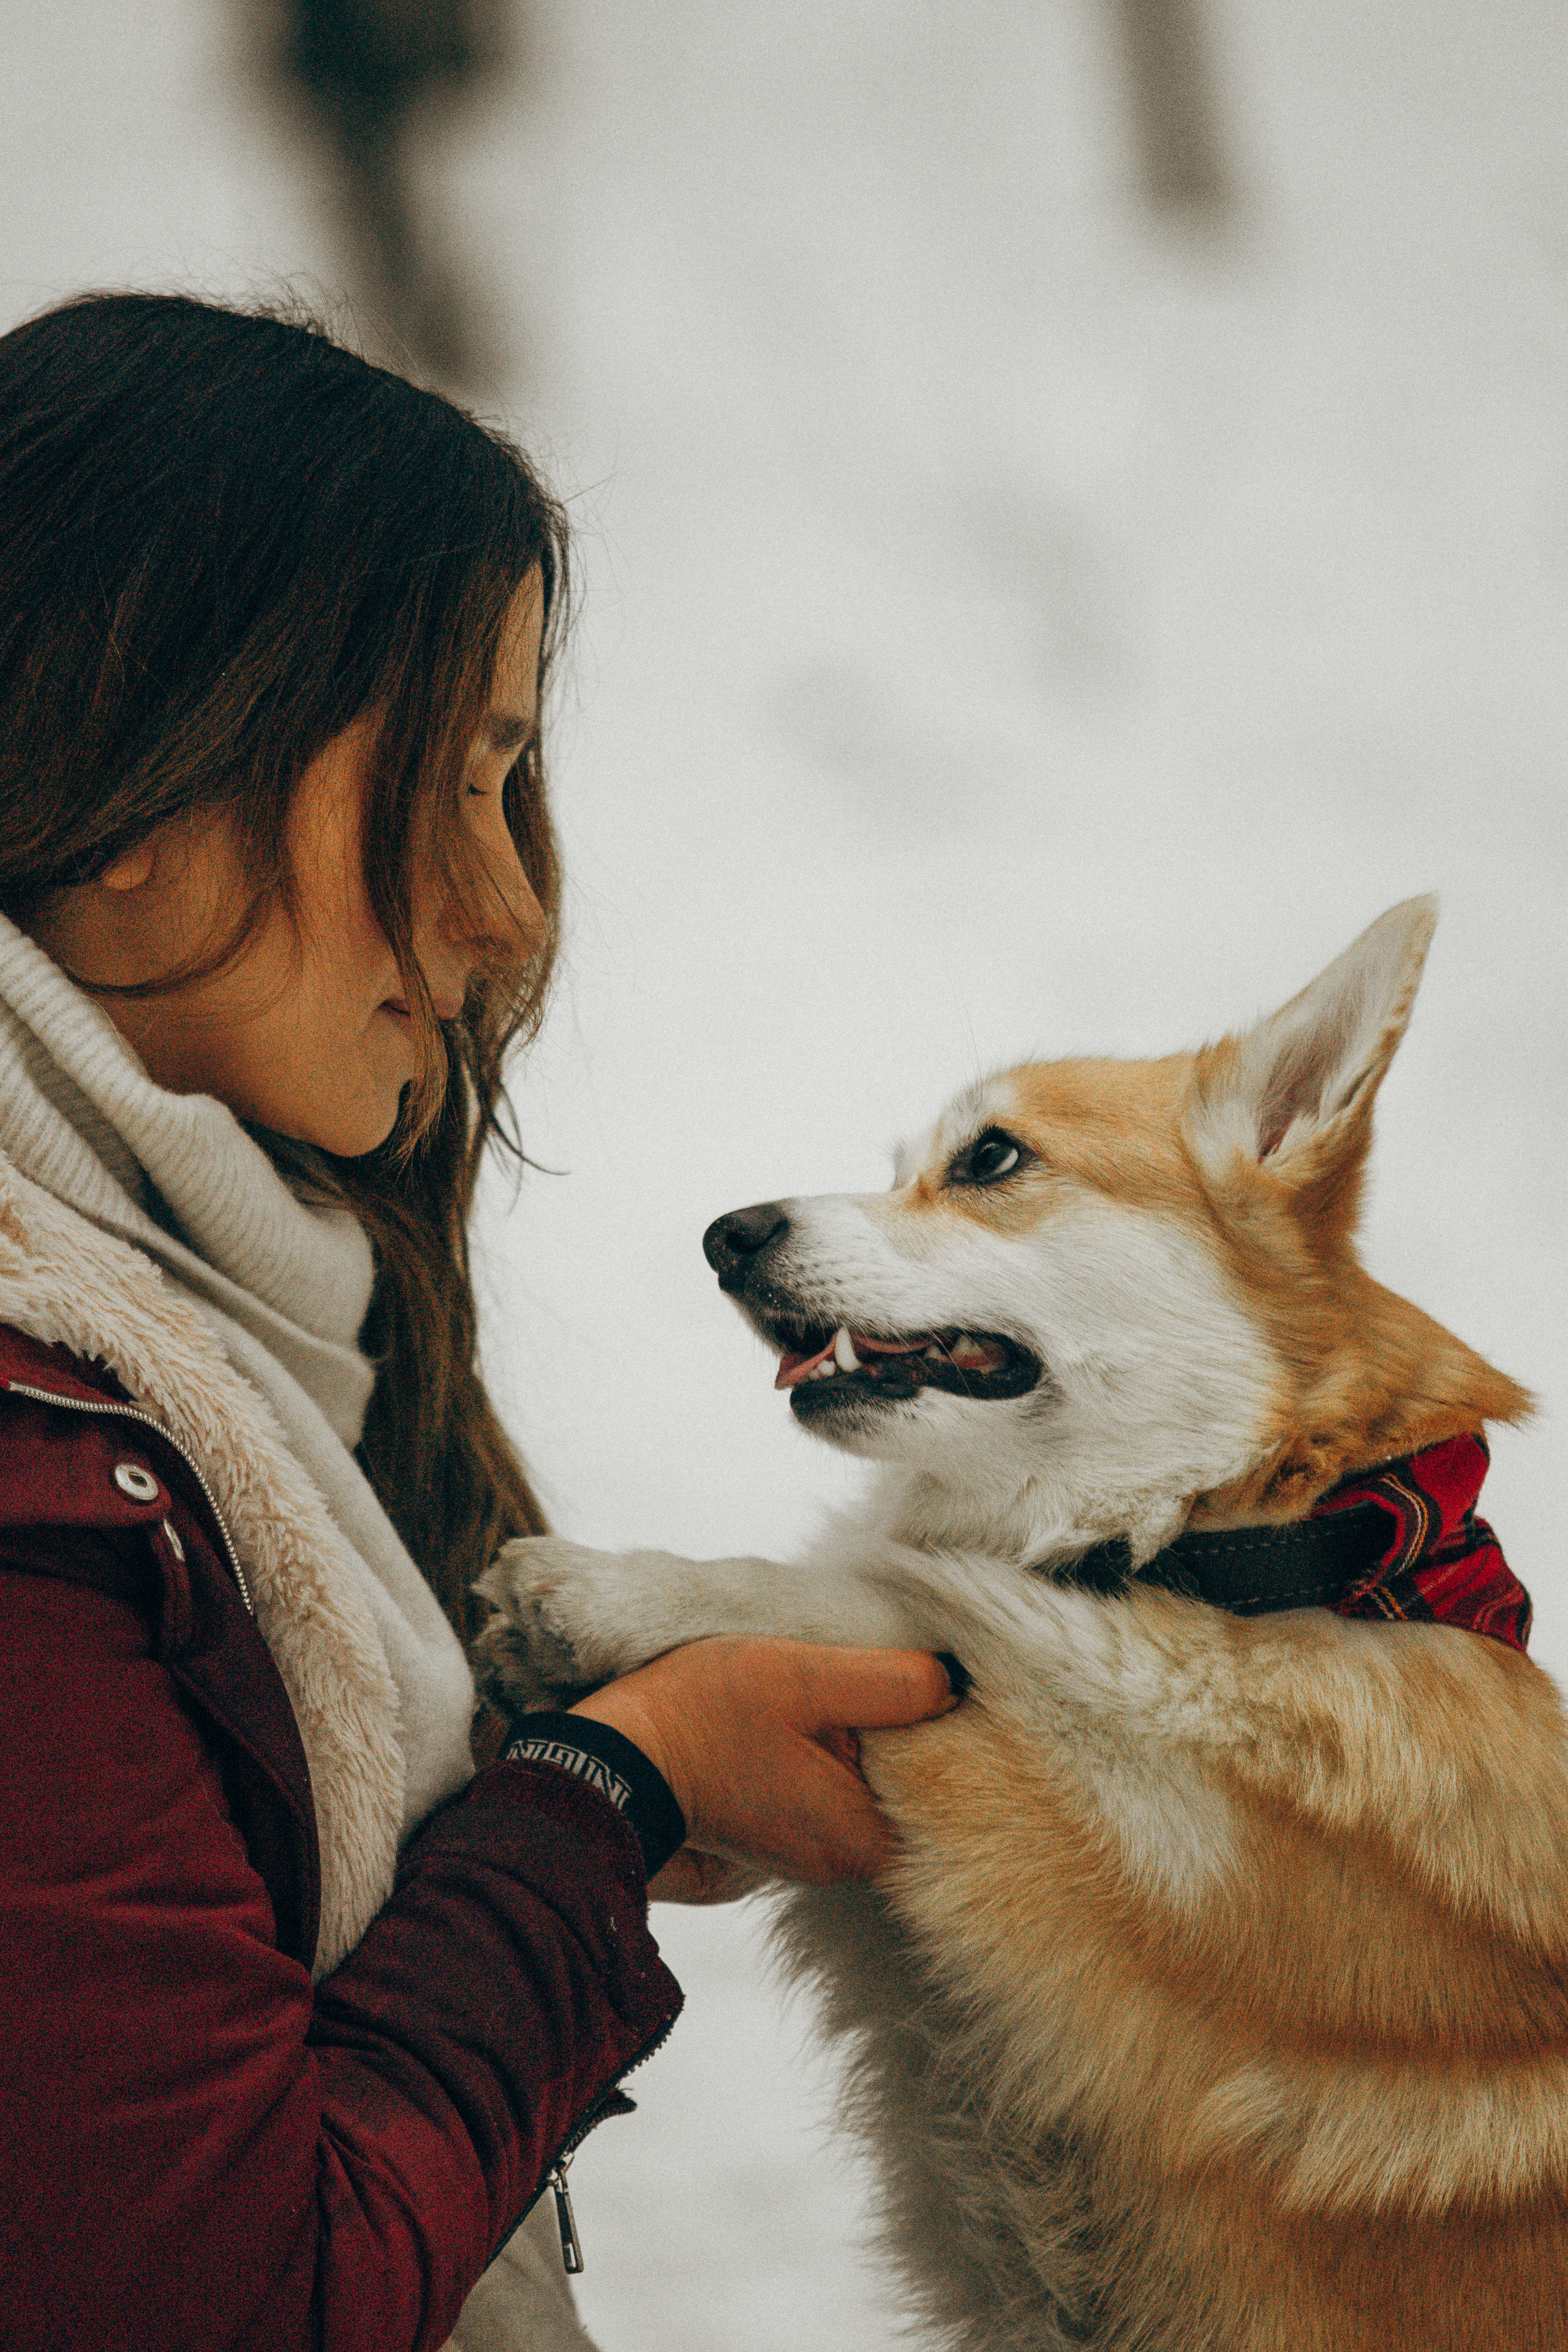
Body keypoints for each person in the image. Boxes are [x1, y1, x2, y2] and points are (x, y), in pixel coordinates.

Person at [0, 290, 957, 2352]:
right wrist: (599, 1799)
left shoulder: (172, 1329)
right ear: (125, 750)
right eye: (437, 774)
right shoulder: (27, 1450)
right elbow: (227, 2300)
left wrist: (567, 1793)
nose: (507, 908)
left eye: (511, 780)